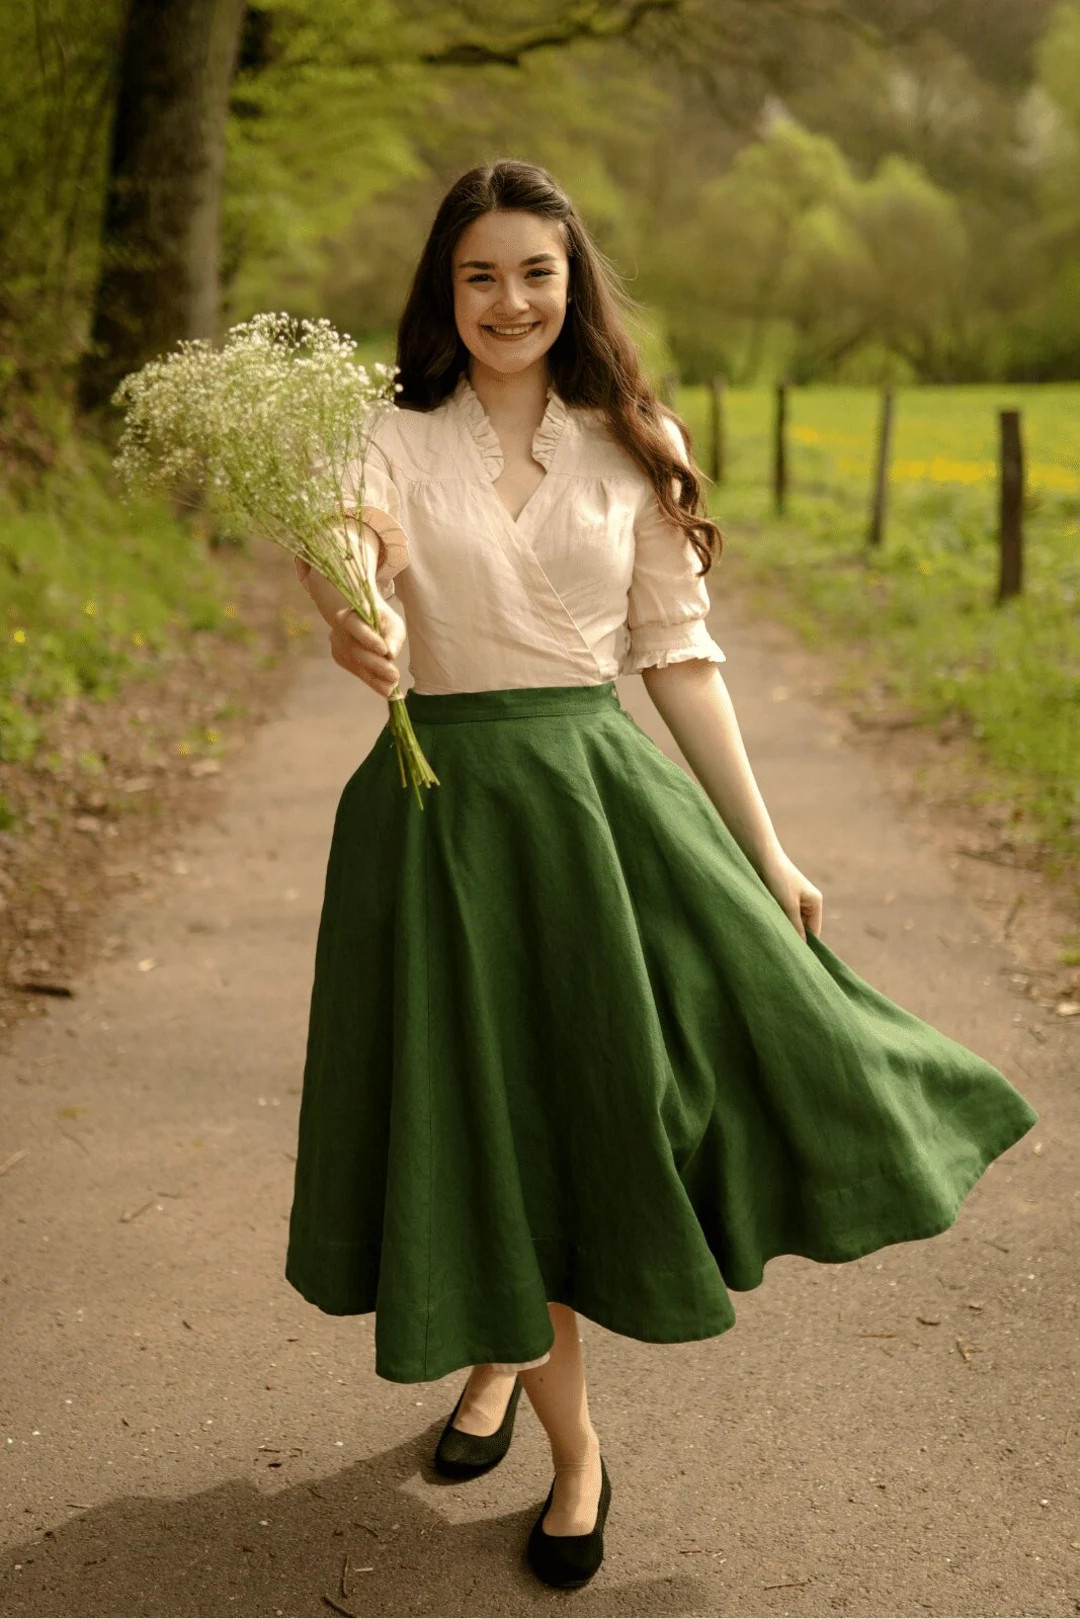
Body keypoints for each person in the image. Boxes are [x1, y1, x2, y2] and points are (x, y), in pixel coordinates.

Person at [285, 159, 1038, 1590]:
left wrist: (768, 847)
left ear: (573, 285)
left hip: (595, 813)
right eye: (481, 275)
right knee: (484, 1120)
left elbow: (679, 663)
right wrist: (352, 620)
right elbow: (346, 565)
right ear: (445, 291)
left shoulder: (632, 443)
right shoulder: (381, 437)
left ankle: (519, 1380)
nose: (510, 301)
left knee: (600, 1106)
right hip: (440, 822)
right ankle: (571, 1443)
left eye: (536, 272)